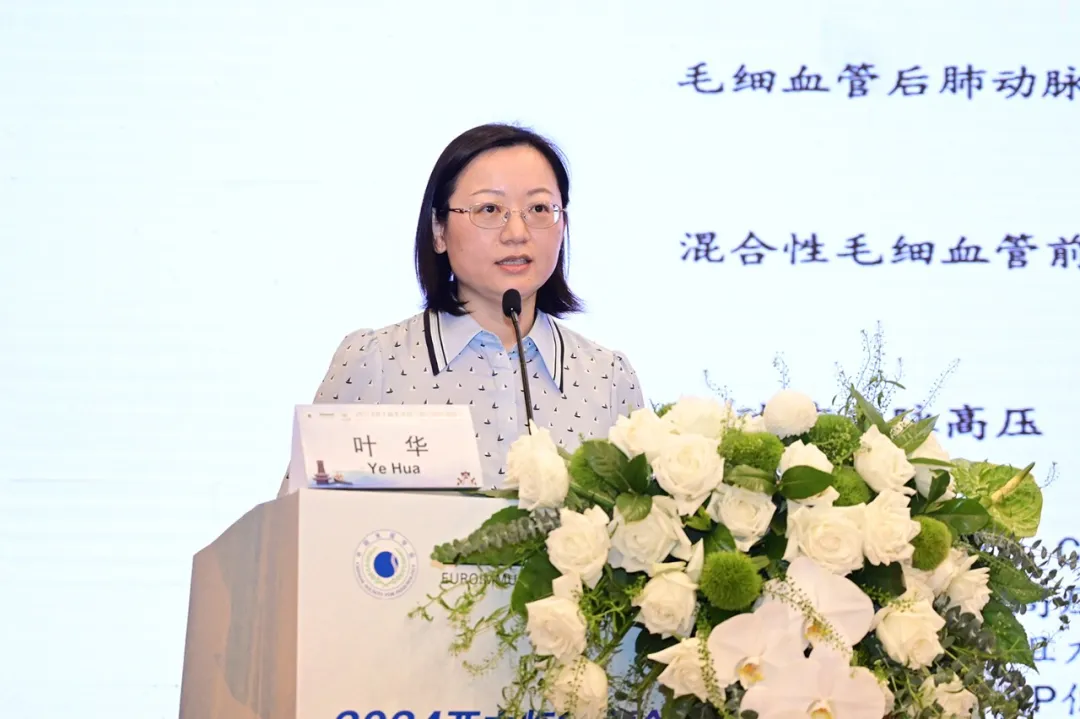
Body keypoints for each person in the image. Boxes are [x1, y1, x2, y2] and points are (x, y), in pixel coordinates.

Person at [278, 123, 644, 496]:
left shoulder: (608, 379)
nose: (517, 232)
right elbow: (299, 521)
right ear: (439, 230)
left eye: (538, 208)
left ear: (562, 224)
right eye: (489, 209)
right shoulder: (377, 362)